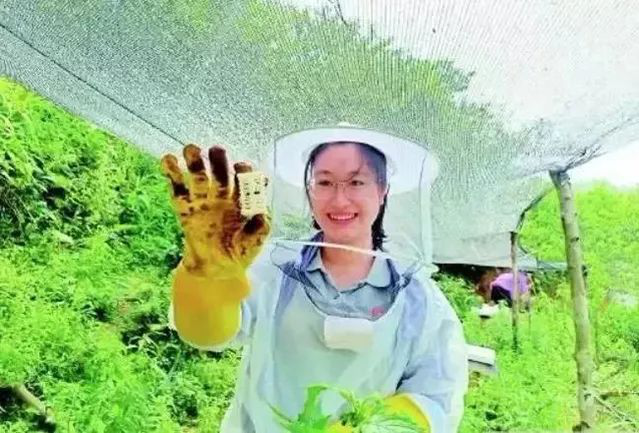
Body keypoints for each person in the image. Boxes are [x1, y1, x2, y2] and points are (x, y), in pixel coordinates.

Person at [161, 130, 468, 433]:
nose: (340, 199)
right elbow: (205, 335)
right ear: (309, 191)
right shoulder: (271, 268)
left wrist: (358, 431)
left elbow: (435, 397)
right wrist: (206, 278)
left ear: (382, 189)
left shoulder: (419, 299)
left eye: (356, 182)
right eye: (324, 182)